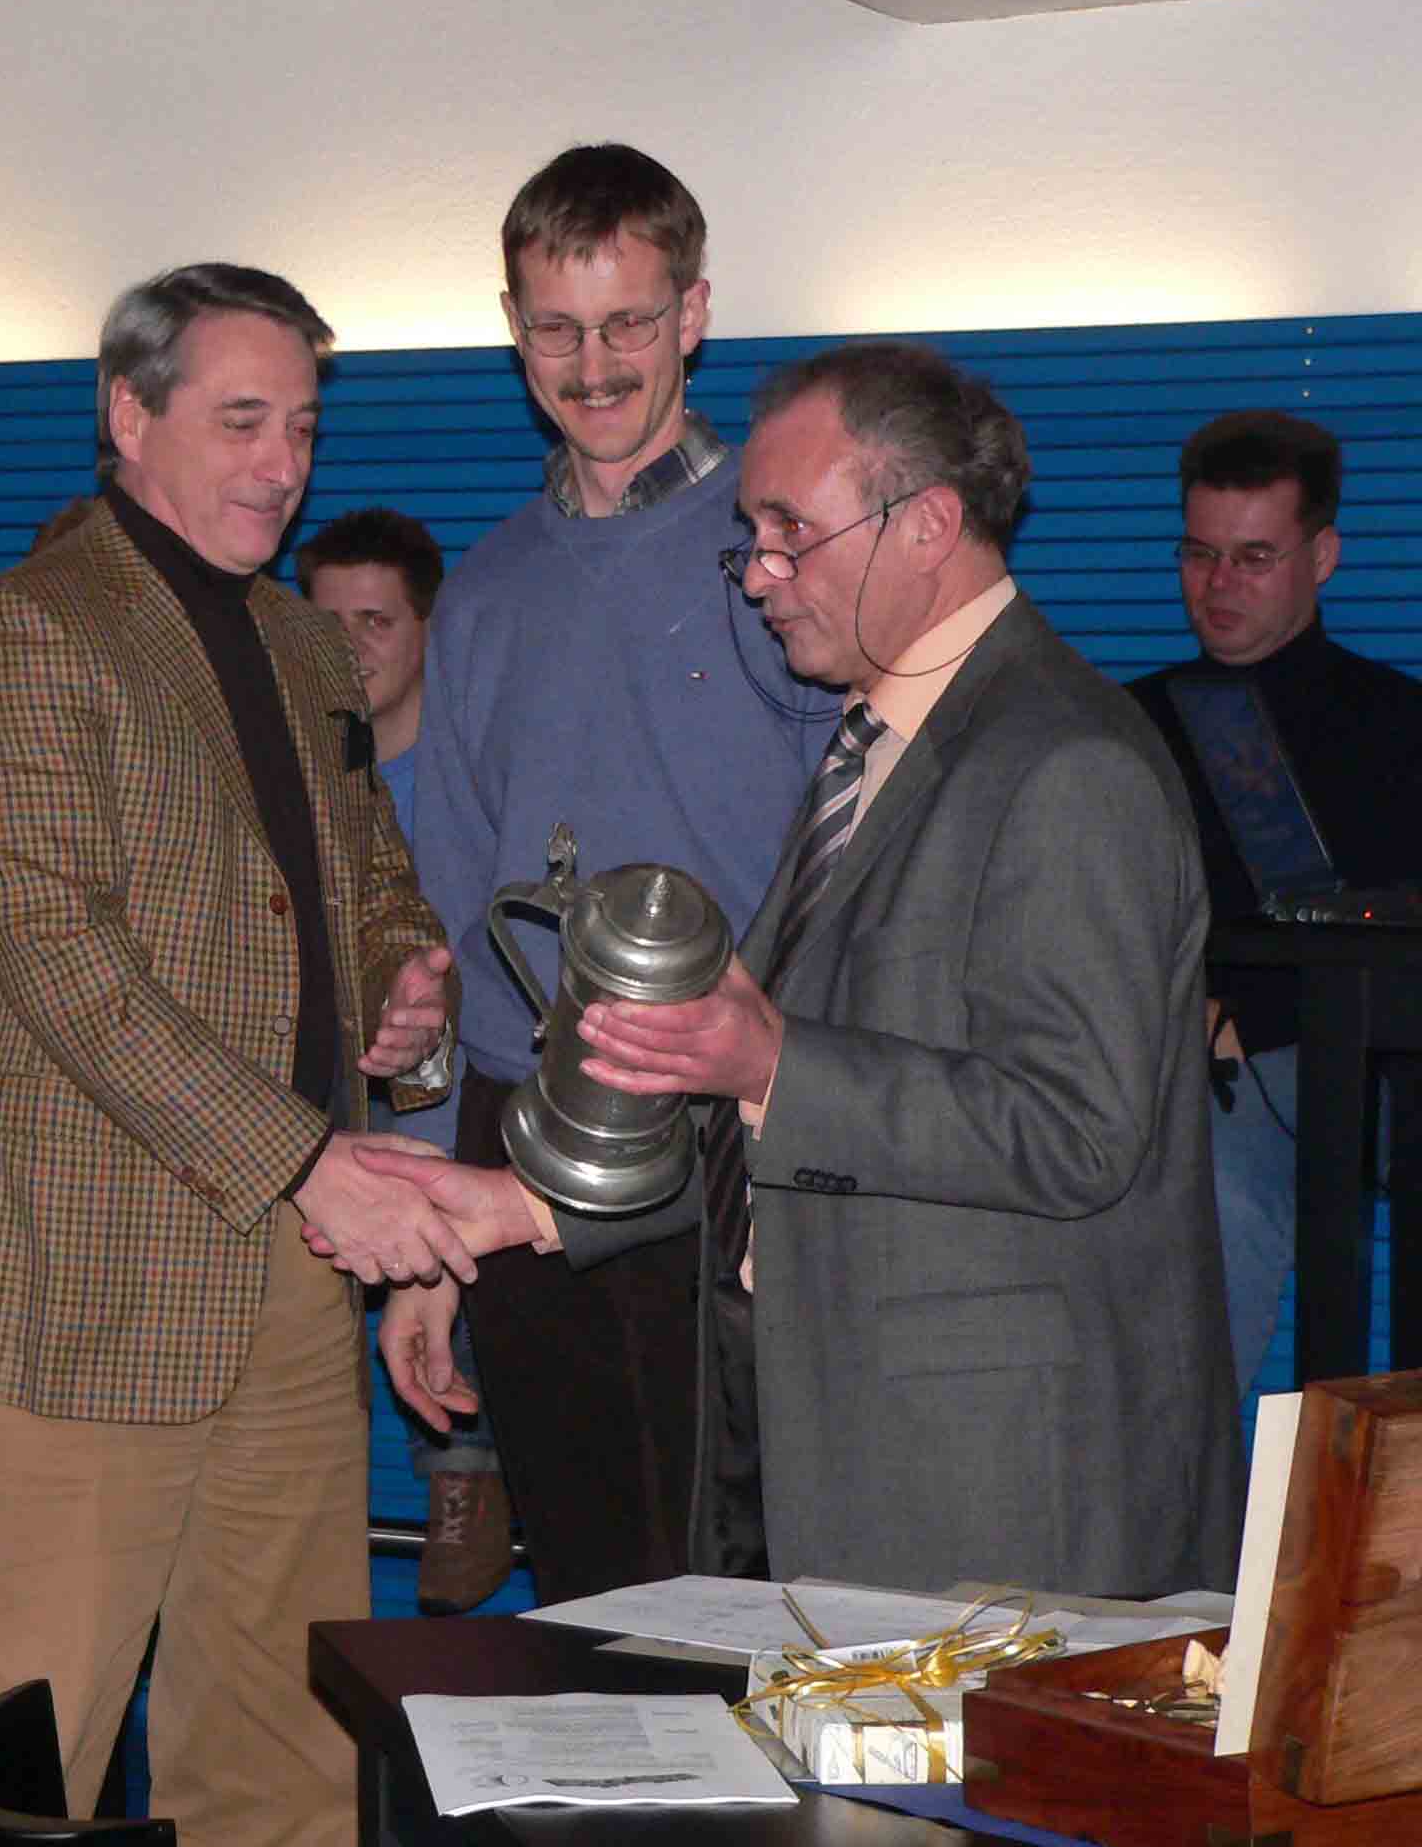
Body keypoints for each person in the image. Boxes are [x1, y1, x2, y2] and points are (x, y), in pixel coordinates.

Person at [370, 341, 1243, 1595]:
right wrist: (531, 1211)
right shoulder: (874, 745)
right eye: (753, 536)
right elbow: (765, 1123)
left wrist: (773, 1060)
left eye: (791, 533)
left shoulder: (1067, 765)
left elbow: (1077, 1130)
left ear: (926, 524)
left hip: (998, 1484)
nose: (758, 575)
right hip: (839, 1446)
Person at [0, 263, 456, 1847]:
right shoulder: (22, 627)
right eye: (243, 421)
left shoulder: (305, 643)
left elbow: (372, 880)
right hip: (72, 1275)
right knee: (11, 1783)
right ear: (129, 416)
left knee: (285, 1757)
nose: (283, 464)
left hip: (287, 1272)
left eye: (304, 428)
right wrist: (313, 1157)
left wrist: (403, 991)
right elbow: (57, 962)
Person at [403, 144, 827, 1602]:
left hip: (736, 1147)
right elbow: (450, 923)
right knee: (587, 1592)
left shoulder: (784, 559)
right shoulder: (482, 593)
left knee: (740, 1593)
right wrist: (433, 1238)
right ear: (512, 330)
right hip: (523, 1145)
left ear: (694, 313)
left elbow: (856, 870)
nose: (592, 367)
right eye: (556, 328)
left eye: (628, 322)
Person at [1127, 412, 1422, 1390]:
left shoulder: (1398, 728)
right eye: (1199, 554)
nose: (1219, 585)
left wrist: (1233, 1023)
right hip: (1184, 1073)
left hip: (1347, 1068)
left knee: (1215, 1181)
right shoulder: (1120, 727)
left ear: (1321, 557)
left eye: (1253, 557)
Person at [297, 506, 509, 1614]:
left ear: (430, 630)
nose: (345, 649)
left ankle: (465, 1459)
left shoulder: (474, 781)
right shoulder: (283, 775)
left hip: (455, 1093)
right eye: (323, 624)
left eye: (374, 622)